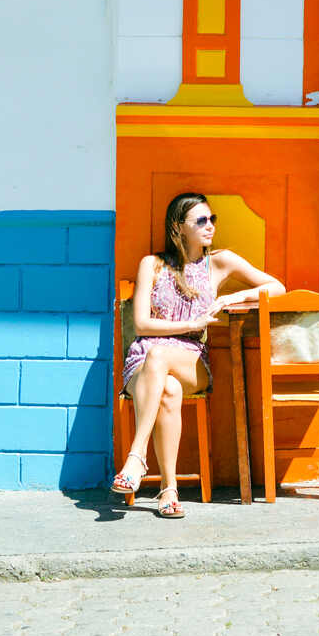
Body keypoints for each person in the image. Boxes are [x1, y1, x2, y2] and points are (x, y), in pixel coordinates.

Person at [111, 192, 284, 517]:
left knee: (161, 358)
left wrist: (232, 297)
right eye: (201, 220)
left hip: (191, 359)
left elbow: (277, 287)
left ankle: (137, 457)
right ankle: (169, 490)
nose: (210, 226)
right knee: (168, 388)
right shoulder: (152, 264)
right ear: (178, 227)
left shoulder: (219, 261)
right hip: (143, 362)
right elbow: (141, 324)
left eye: (211, 219)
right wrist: (191, 323)